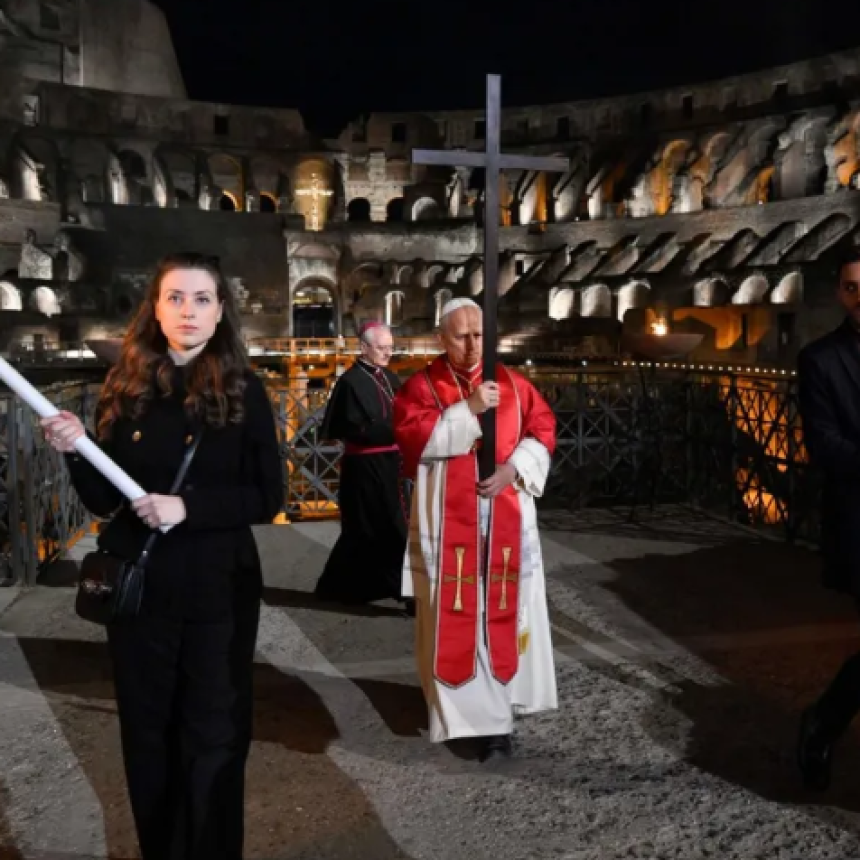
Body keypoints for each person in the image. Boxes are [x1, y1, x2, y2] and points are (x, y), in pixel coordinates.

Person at [41, 252, 283, 858]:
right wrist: (75, 448)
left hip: (215, 590)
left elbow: (268, 495)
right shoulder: (126, 386)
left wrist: (188, 508)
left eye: (202, 298)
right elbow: (102, 499)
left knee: (213, 735)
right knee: (148, 735)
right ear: (154, 307)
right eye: (175, 297)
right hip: (139, 592)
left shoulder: (245, 390)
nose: (188, 311)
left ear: (221, 310)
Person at [393, 297, 557, 762]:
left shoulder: (515, 384)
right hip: (451, 526)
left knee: (501, 615)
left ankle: (497, 718)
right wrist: (466, 408)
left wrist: (514, 470)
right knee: (459, 615)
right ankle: (462, 713)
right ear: (441, 338)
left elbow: (542, 430)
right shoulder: (422, 386)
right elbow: (412, 437)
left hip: (504, 515)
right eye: (460, 335)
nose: (470, 345)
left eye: (478, 335)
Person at [796, 246, 860, 791]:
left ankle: (822, 721)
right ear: (841, 293)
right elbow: (824, 446)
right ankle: (822, 723)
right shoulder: (821, 359)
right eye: (851, 286)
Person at [314, 320, 411, 609]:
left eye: (391, 348)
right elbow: (352, 428)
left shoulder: (391, 378)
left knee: (367, 530)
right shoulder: (350, 383)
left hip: (392, 464)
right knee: (383, 527)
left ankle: (337, 588)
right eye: (381, 348)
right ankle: (405, 592)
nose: (387, 353)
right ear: (364, 347)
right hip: (365, 468)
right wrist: (395, 430)